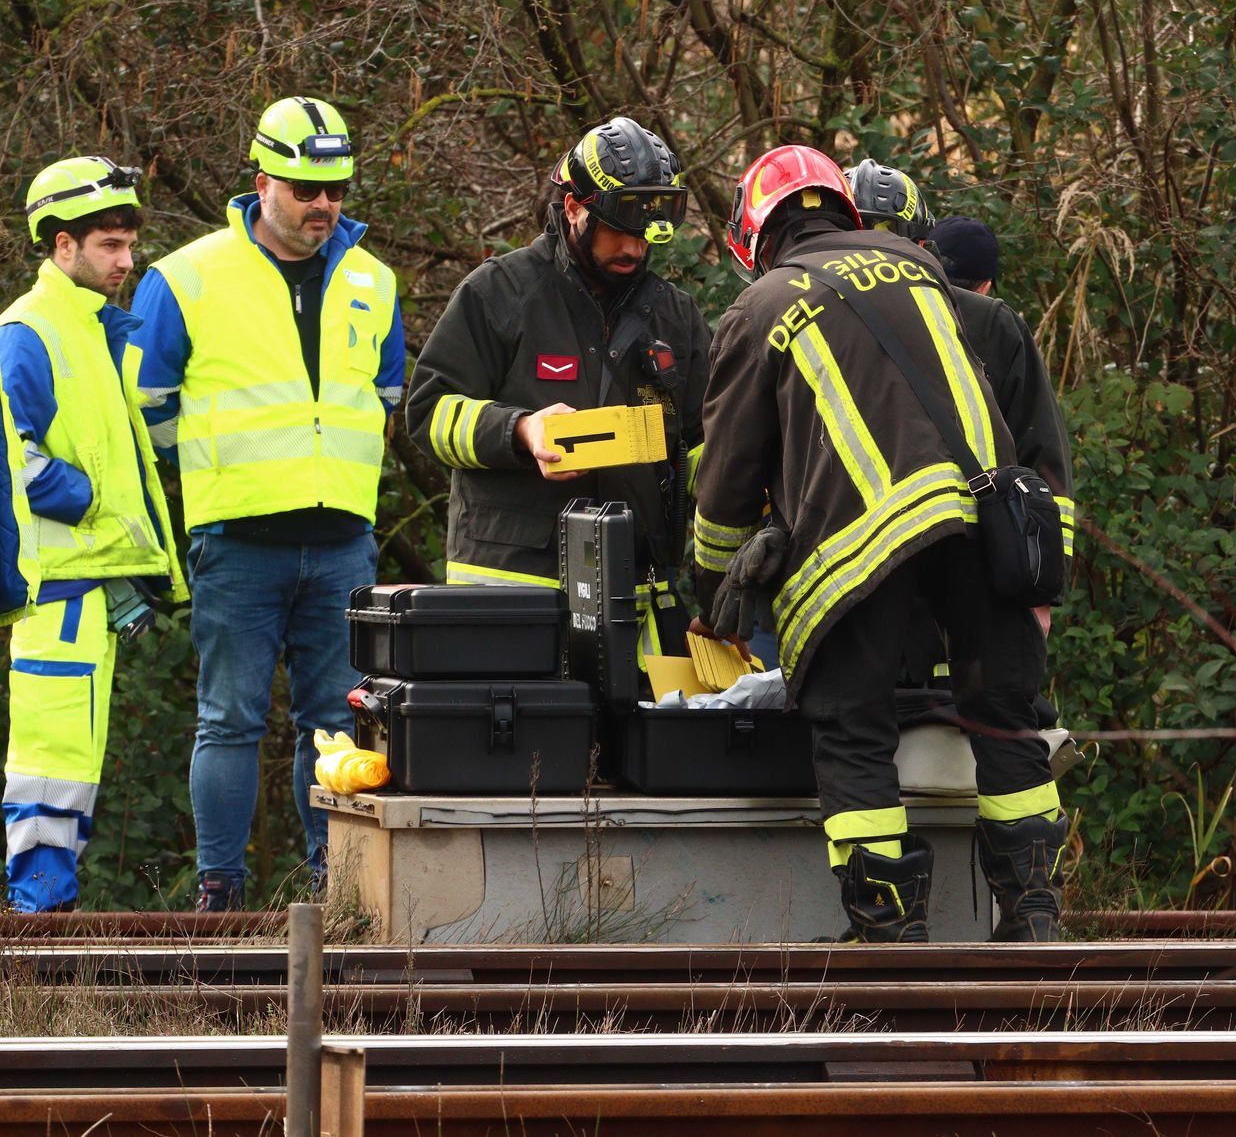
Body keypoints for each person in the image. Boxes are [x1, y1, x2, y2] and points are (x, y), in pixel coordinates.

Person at [694, 146, 1066, 943]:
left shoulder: (758, 307)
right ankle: (1033, 919)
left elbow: (727, 479)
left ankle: (890, 935)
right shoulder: (918, 266)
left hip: (863, 545)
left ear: (754, 236)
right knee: (1005, 717)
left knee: (852, 727)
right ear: (845, 210)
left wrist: (711, 586)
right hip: (983, 520)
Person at [132, 97, 406, 911]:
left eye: (336, 189)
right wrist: (223, 473)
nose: (324, 204)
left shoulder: (373, 280)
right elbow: (147, 407)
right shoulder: (186, 276)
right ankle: (221, 894)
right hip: (238, 538)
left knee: (335, 723)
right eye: (303, 188)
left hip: (341, 539)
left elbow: (383, 398)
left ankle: (335, 893)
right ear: (262, 183)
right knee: (229, 721)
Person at [405, 116, 709, 653]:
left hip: (634, 600)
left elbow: (703, 444)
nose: (634, 249)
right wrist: (520, 430)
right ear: (573, 207)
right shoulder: (499, 292)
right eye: (619, 227)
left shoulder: (675, 317)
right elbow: (429, 412)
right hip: (511, 597)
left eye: (645, 232)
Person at [0, 157, 181, 912]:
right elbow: (16, 447)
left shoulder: (93, 329)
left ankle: (49, 908)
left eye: (129, 243)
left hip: (85, 581)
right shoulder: (29, 333)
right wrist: (85, 499)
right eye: (110, 244)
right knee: (51, 754)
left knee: (72, 753)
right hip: (56, 584)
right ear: (61, 245)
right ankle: (39, 909)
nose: (126, 260)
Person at [844, 162, 1076, 643]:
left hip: (959, 574)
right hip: (861, 583)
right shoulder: (804, 320)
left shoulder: (988, 323)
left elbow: (1041, 454)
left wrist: (1041, 586)